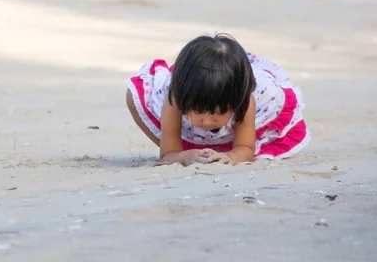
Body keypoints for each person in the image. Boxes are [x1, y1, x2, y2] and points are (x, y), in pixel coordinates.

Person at [125, 34, 309, 166]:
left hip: (251, 105)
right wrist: (182, 156)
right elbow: (167, 155)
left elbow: (245, 147)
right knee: (133, 96)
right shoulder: (174, 97)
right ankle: (194, 146)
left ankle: (219, 143)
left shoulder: (246, 99)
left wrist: (232, 157)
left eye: (218, 114)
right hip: (185, 116)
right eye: (197, 112)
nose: (205, 121)